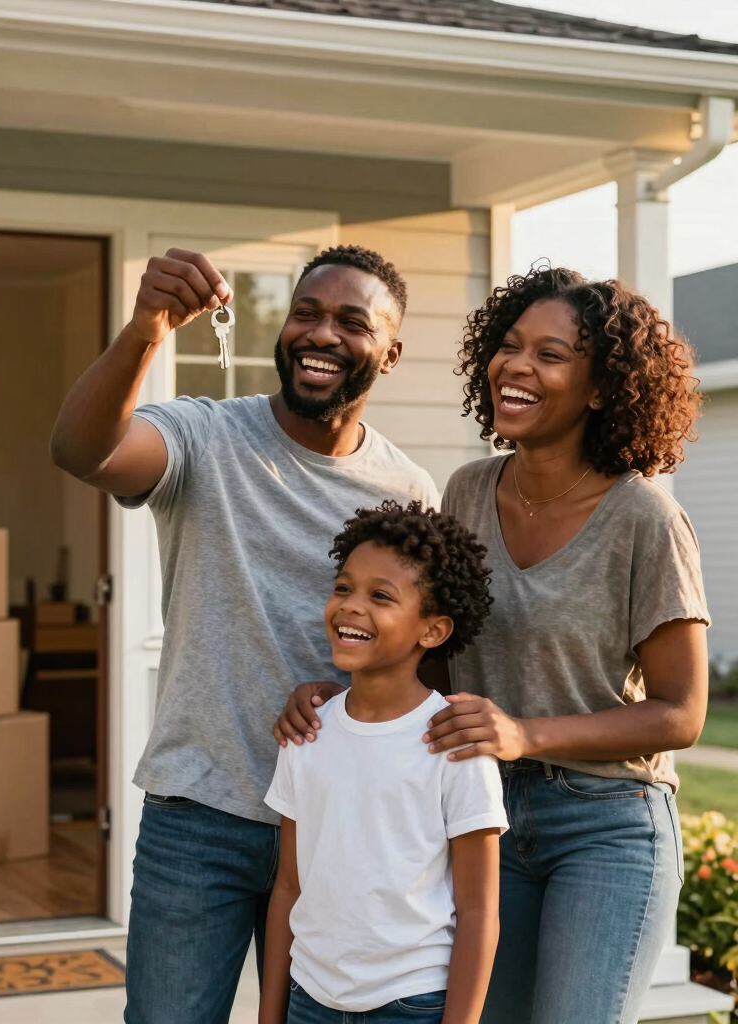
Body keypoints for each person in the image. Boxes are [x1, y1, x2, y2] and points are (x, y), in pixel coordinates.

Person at [275, 267, 709, 1024]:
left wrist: (522, 733)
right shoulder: (469, 491)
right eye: (509, 347)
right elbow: (434, 648)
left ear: (602, 386)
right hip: (484, 809)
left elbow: (681, 714)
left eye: (551, 354)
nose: (516, 366)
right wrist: (343, 693)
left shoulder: (644, 518)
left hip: (605, 822)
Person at [50, 245, 439, 1023]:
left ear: (389, 354)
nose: (321, 333)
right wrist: (144, 329)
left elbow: (418, 653)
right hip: (200, 814)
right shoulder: (203, 436)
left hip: (338, 822)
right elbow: (81, 451)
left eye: (351, 322)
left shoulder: (409, 492)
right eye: (306, 313)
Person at [260, 501, 506, 1024]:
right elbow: (288, 886)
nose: (350, 606)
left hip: (411, 1004)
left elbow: (480, 911)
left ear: (433, 630)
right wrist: (270, 1015)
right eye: (344, 588)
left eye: (381, 596)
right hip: (310, 998)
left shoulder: (454, 743)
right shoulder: (307, 732)